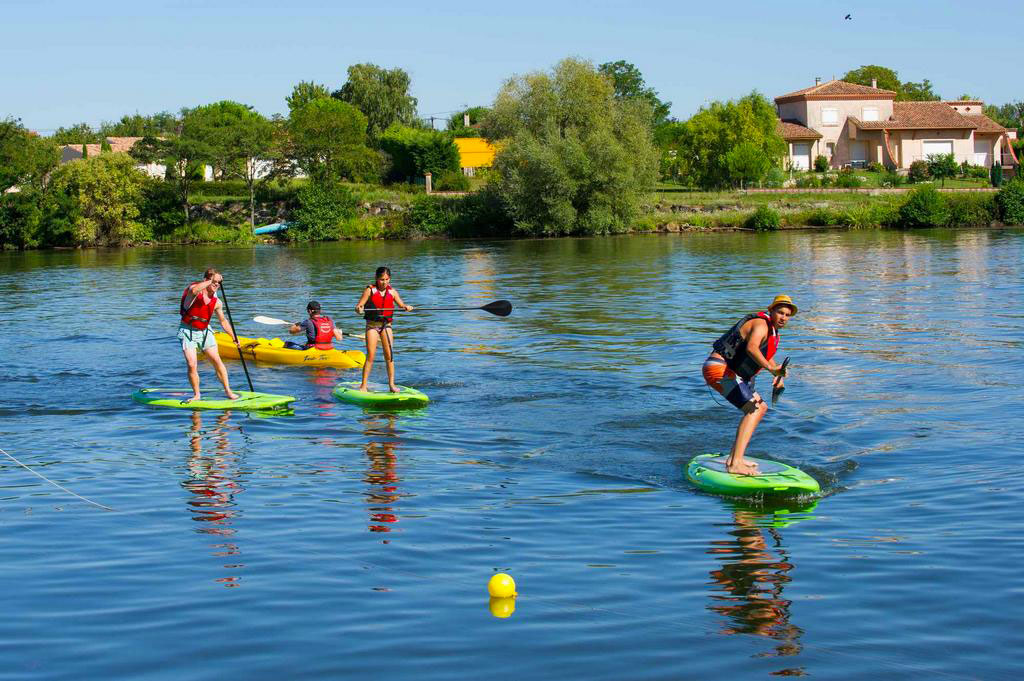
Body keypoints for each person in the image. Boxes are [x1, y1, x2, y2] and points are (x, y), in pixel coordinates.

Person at [702, 295, 797, 475]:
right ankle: (735, 464)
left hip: (726, 372)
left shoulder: (772, 331)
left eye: (787, 314)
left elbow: (765, 354)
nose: (783, 317)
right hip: (718, 369)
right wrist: (771, 368)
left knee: (759, 408)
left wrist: (777, 374)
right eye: (780, 312)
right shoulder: (761, 324)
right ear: (771, 310)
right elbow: (752, 348)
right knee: (755, 409)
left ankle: (733, 459)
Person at [178, 268, 240, 403]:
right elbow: (194, 290)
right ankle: (197, 395)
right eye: (214, 282)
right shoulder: (194, 291)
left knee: (217, 361)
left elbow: (223, 321)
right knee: (192, 364)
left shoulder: (217, 302)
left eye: (219, 282)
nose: (217, 284)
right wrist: (209, 281)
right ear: (206, 280)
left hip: (205, 332)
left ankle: (228, 391)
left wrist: (233, 336)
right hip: (188, 332)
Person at [354, 266, 413, 393]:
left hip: (386, 326)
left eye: (386, 279)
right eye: (381, 279)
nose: (384, 282)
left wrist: (406, 307)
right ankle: (363, 385)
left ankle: (391, 385)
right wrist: (359, 309)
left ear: (389, 279)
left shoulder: (392, 292)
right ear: (376, 278)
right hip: (372, 326)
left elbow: (401, 305)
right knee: (371, 356)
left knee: (389, 356)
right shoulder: (370, 290)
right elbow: (359, 306)